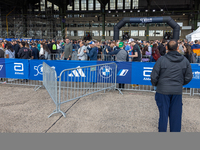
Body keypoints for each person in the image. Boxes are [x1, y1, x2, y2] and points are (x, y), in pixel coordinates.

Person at [151, 40, 193, 132]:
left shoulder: (161, 60)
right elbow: (189, 76)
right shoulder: (184, 60)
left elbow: (154, 76)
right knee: (176, 117)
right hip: (175, 91)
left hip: (163, 91)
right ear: (178, 48)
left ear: (166, 48)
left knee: (163, 115)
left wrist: (158, 85)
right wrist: (180, 84)